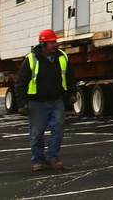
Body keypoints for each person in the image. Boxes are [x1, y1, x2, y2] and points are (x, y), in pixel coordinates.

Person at [14, 28, 76, 171]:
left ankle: (53, 157)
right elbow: (20, 83)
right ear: (43, 44)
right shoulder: (31, 60)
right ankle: (38, 160)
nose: (55, 44)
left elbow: (70, 78)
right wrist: (22, 103)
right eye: (51, 42)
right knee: (36, 134)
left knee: (58, 128)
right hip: (37, 103)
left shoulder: (63, 57)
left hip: (56, 101)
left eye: (55, 41)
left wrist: (72, 94)